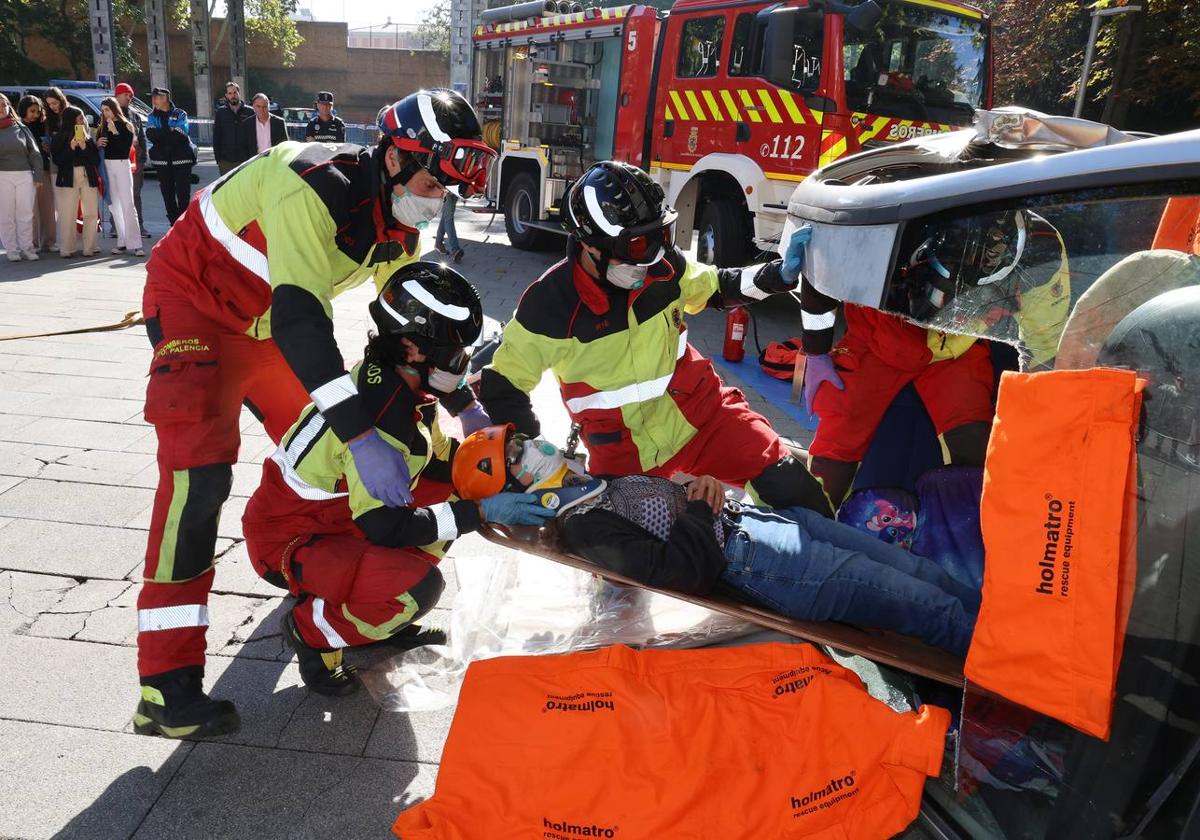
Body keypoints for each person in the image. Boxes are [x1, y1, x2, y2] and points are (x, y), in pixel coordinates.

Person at [132, 89, 496, 739]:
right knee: (199, 479)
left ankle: (339, 597)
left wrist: (461, 401)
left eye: (449, 190)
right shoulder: (313, 185)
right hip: (195, 307)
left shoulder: (397, 223)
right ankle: (166, 686)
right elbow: (305, 319)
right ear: (393, 159)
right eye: (432, 182)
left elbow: (401, 330)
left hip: (266, 326)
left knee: (322, 450)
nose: (439, 198)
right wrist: (360, 433)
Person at [238, 264, 548, 697]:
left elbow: (443, 466)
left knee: (459, 490)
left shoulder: (400, 384)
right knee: (418, 588)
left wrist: (501, 468)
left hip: (337, 516)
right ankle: (313, 631)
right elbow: (385, 526)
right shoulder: (382, 420)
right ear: (411, 348)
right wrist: (481, 512)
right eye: (456, 356)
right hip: (290, 539)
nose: (463, 367)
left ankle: (376, 615)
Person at [478, 160, 832, 515]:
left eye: (660, 237)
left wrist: (778, 275)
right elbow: (503, 383)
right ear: (592, 246)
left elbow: (716, 286)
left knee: (792, 487)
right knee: (633, 559)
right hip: (624, 454)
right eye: (638, 245)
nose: (653, 255)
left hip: (704, 419)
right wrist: (534, 452)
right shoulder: (549, 306)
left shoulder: (664, 269)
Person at [453, 426, 981, 655]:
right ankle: (1026, 680)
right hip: (763, 564)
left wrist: (693, 495)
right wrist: (702, 508)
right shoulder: (583, 527)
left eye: (520, 441)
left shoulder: (586, 486)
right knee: (931, 609)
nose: (532, 445)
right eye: (517, 456)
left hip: (766, 525)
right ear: (517, 489)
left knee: (924, 576)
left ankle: (1020, 637)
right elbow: (681, 571)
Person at [799, 209, 1069, 508]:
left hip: (958, 347)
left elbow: (1045, 339)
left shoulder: (1042, 252)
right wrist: (817, 350)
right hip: (878, 336)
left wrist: (1043, 409)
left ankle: (961, 536)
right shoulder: (878, 226)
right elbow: (819, 277)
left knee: (975, 444)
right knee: (839, 436)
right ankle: (809, 522)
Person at [49, 106, 100, 258]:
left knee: (90, 212)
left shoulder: (88, 137)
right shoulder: (59, 137)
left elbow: (95, 160)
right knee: (67, 214)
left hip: (86, 176)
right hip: (68, 177)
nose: (83, 120)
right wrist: (71, 148)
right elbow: (58, 160)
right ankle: (67, 248)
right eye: (79, 118)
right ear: (71, 120)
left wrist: (85, 147)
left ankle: (89, 247)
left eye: (83, 117)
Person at [96, 97, 143, 257]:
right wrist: (98, 143)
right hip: (107, 166)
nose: (105, 113)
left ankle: (136, 243)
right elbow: (101, 149)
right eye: (103, 110)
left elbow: (124, 149)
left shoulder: (126, 126)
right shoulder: (102, 127)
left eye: (107, 110)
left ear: (114, 109)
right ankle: (122, 241)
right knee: (114, 205)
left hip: (122, 164)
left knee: (128, 204)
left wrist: (115, 131)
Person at [0, 93, 43, 262]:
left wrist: (38, 174)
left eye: (4, 105)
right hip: (2, 176)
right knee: (6, 215)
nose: (2, 108)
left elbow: (34, 152)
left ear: (9, 106)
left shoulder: (21, 127)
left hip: (25, 175)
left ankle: (27, 248)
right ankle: (11, 249)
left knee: (25, 213)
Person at [145, 87, 195, 226]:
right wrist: (169, 130)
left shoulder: (180, 114)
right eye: (153, 97)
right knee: (167, 195)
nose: (154, 100)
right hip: (162, 162)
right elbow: (150, 134)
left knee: (183, 195)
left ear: (165, 99)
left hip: (181, 160)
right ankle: (174, 224)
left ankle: (184, 225)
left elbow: (181, 133)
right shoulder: (152, 116)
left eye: (157, 97)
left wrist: (161, 134)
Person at [18, 96, 55, 253]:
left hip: (44, 169)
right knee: (30, 211)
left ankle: (49, 242)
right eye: (32, 111)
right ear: (23, 110)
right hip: (26, 172)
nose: (35, 115)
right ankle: (31, 243)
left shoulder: (44, 126)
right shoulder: (18, 126)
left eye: (38, 111)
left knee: (48, 208)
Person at [114, 82, 150, 238]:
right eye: (126, 95)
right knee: (117, 194)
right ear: (118, 95)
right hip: (117, 160)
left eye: (131, 96)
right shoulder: (110, 113)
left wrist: (143, 156)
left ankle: (138, 225)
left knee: (135, 194)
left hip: (135, 162)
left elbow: (141, 137)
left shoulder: (134, 115)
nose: (129, 98)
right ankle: (117, 226)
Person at [212, 81, 253, 175]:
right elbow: (216, 136)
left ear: (239, 93)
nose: (232, 95)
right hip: (225, 161)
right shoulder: (221, 112)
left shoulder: (249, 111)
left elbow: (253, 136)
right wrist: (218, 159)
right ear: (226, 95)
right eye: (230, 93)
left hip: (245, 160)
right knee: (227, 188)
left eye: (235, 92)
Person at [238, 93, 287, 160]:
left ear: (268, 107)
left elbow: (284, 146)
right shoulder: (247, 124)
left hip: (274, 162)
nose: (261, 110)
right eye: (258, 106)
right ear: (254, 107)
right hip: (255, 163)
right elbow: (243, 148)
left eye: (264, 107)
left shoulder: (279, 123)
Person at [435, 190, 463, 262]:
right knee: (448, 218)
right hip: (447, 188)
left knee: (446, 217)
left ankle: (438, 243)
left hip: (454, 189)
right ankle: (455, 249)